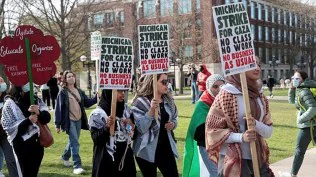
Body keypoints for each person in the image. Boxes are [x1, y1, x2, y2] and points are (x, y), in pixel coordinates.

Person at [205, 57, 274, 177]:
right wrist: (241, 137)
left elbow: (268, 132)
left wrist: (256, 124)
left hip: (258, 158)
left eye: (258, 64)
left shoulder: (260, 96)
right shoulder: (226, 94)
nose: (257, 68)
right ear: (239, 68)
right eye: (252, 65)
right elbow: (212, 132)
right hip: (234, 162)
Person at [131, 74, 179, 177]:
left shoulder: (168, 100)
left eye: (167, 81)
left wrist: (173, 124)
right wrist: (151, 111)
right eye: (163, 82)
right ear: (152, 83)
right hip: (146, 149)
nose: (167, 84)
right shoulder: (140, 102)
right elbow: (140, 128)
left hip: (166, 147)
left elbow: (175, 117)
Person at [1, 83, 51, 177]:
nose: (29, 84)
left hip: (37, 145)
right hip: (21, 146)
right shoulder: (10, 103)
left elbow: (47, 118)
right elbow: (9, 127)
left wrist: (39, 113)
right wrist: (28, 121)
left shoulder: (36, 99)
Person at [54, 70, 98, 175]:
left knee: (73, 140)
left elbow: (87, 103)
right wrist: (57, 124)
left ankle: (65, 156)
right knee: (75, 142)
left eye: (72, 76)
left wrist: (97, 97)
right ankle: (77, 166)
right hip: (69, 120)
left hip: (79, 119)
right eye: (69, 77)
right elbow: (58, 109)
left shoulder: (79, 90)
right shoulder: (63, 92)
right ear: (65, 79)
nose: (71, 78)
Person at [183, 74, 225, 177]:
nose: (219, 89)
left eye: (221, 86)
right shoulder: (202, 104)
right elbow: (198, 132)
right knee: (216, 174)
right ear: (209, 88)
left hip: (224, 146)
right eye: (215, 87)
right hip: (207, 146)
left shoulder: (226, 100)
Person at [89, 89, 136, 177]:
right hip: (106, 162)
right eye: (119, 91)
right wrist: (107, 127)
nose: (123, 94)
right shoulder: (97, 114)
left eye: (123, 91)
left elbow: (133, 135)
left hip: (125, 159)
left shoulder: (126, 111)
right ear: (109, 93)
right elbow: (97, 139)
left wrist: (131, 125)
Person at [287, 71, 316, 177]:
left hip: (309, 126)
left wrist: (301, 119)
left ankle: (293, 174)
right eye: (293, 77)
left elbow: (313, 108)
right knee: (299, 151)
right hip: (310, 124)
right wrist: (292, 88)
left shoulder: (304, 91)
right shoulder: (300, 89)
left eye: (297, 78)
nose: (294, 80)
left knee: (299, 151)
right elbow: (291, 101)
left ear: (303, 79)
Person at [0, 78, 18, 177]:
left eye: (1, 81)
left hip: (5, 134)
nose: (0, 84)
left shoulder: (8, 98)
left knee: (11, 158)